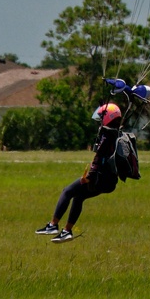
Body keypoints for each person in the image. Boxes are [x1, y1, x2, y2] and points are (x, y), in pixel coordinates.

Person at [35, 102, 122, 243]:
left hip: (98, 178)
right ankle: (67, 231)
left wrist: (89, 177)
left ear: (107, 119)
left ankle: (52, 225)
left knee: (67, 191)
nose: (99, 124)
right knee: (79, 197)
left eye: (101, 120)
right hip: (110, 182)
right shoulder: (119, 135)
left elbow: (99, 157)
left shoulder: (106, 136)